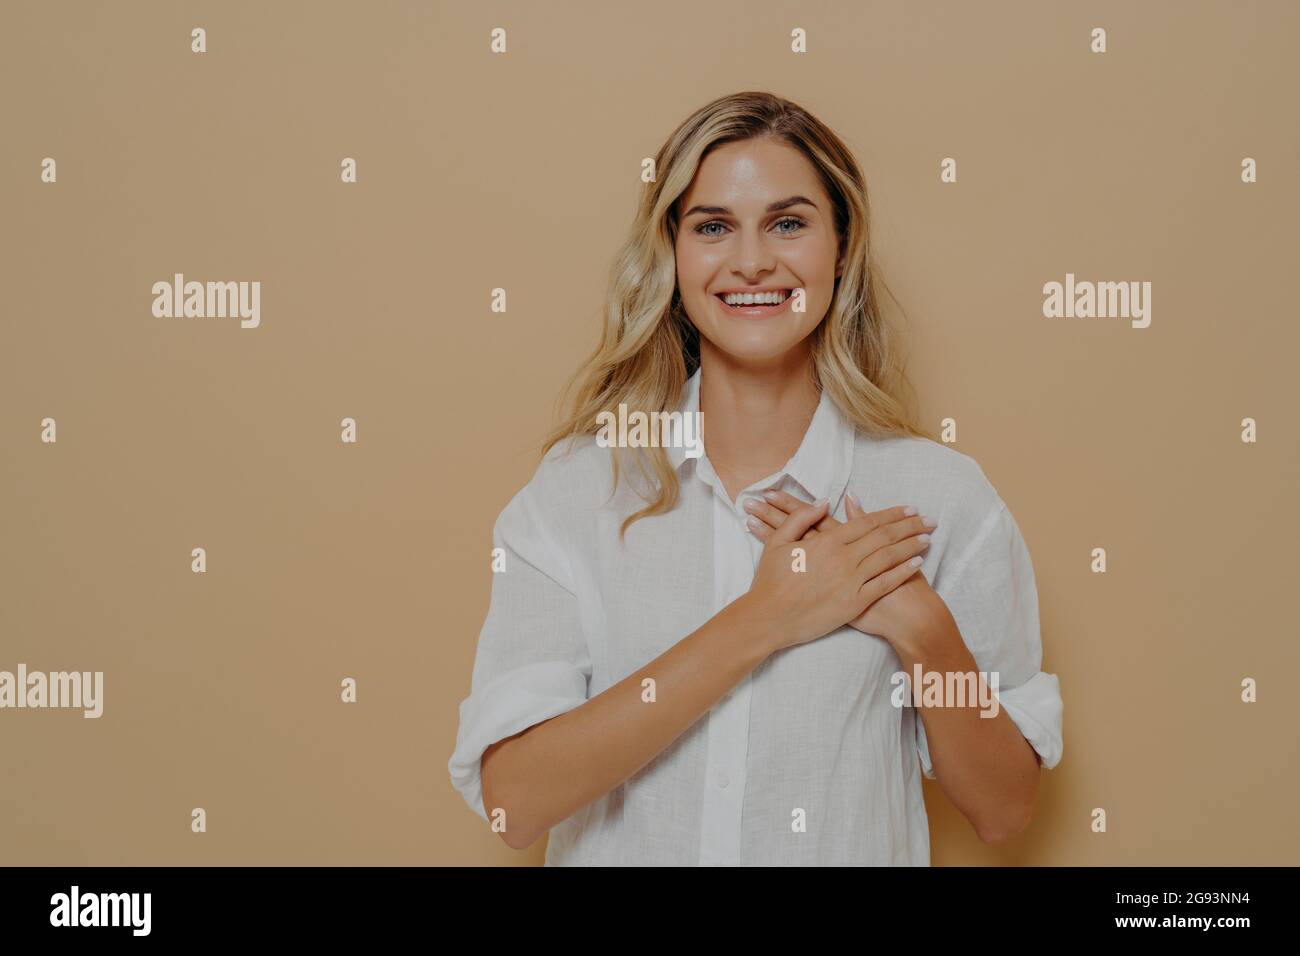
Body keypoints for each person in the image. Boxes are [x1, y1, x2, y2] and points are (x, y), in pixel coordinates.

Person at [448, 91, 1063, 865]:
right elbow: (514, 802)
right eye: (712, 227)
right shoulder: (579, 492)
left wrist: (923, 628)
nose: (751, 262)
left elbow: (1005, 809)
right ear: (671, 255)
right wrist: (767, 618)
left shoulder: (940, 499)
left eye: (788, 222)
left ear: (842, 248)